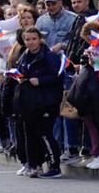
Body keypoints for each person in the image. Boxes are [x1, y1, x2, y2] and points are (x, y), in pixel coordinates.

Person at [12, 25, 63, 177]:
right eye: (27, 39)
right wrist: (19, 78)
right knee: (30, 134)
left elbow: (58, 76)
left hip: (46, 101)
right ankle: (34, 165)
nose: (31, 42)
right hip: (29, 102)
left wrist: (41, 80)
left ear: (40, 40)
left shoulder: (48, 56)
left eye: (34, 39)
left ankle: (55, 166)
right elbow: (20, 72)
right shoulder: (24, 56)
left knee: (45, 133)